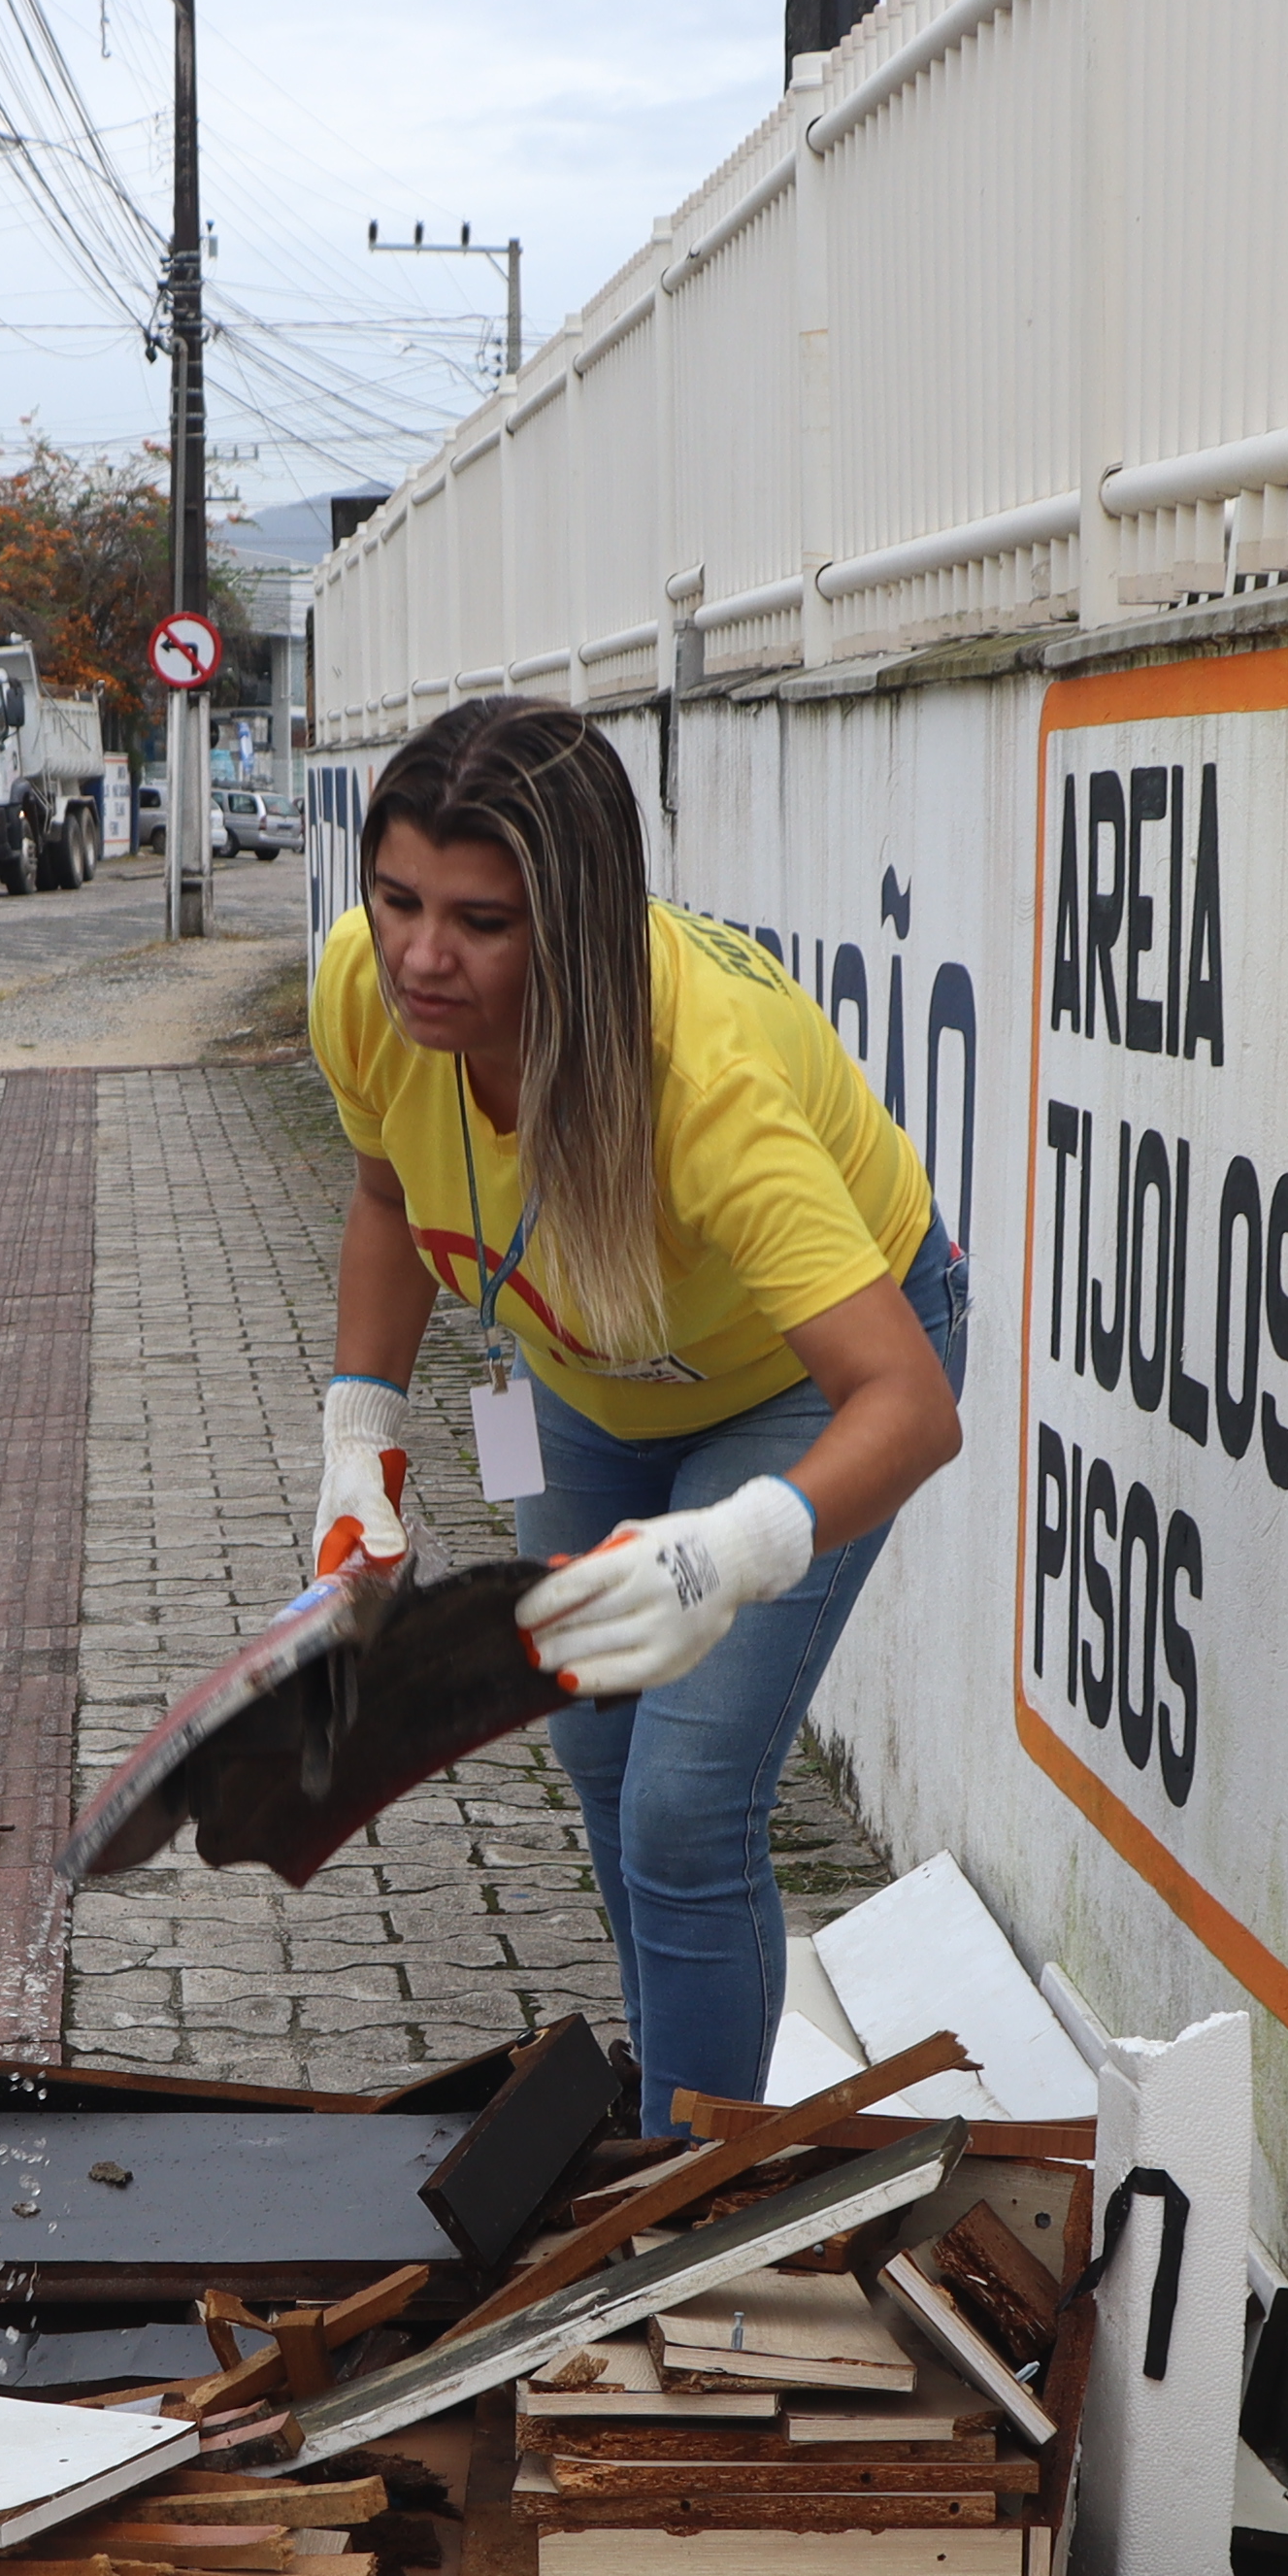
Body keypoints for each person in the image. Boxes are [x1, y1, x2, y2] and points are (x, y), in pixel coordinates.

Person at [305, 696, 967, 2133]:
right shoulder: (366, 986)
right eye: (398, 899)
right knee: (602, 1765)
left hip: (803, 1388)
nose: (422, 956)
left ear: (577, 929)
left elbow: (907, 1403)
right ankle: (682, 2126)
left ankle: (687, 2214)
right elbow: (381, 1193)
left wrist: (728, 1552)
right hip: (580, 1376)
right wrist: (360, 1433)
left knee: (687, 1806)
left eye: (481, 922)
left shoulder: (700, 1077)